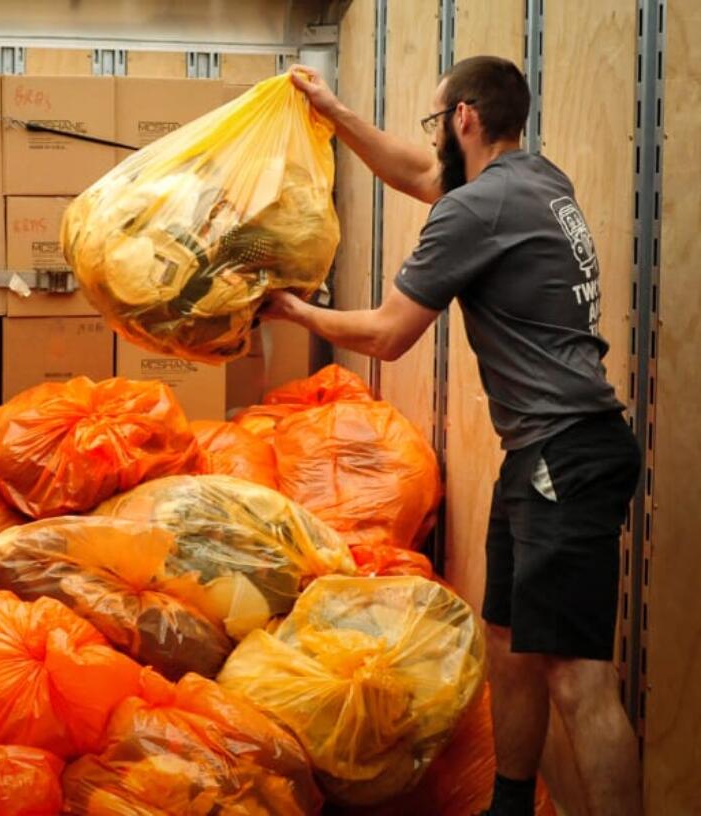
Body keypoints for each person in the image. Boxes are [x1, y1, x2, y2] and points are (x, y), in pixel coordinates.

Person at [261, 57, 642, 816]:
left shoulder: (477, 210)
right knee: (507, 642)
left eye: (436, 122)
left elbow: (388, 335)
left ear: (464, 118)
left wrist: (299, 314)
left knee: (578, 676)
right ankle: (509, 804)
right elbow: (417, 169)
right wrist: (333, 112)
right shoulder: (535, 180)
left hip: (563, 456)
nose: (431, 138)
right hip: (545, 453)